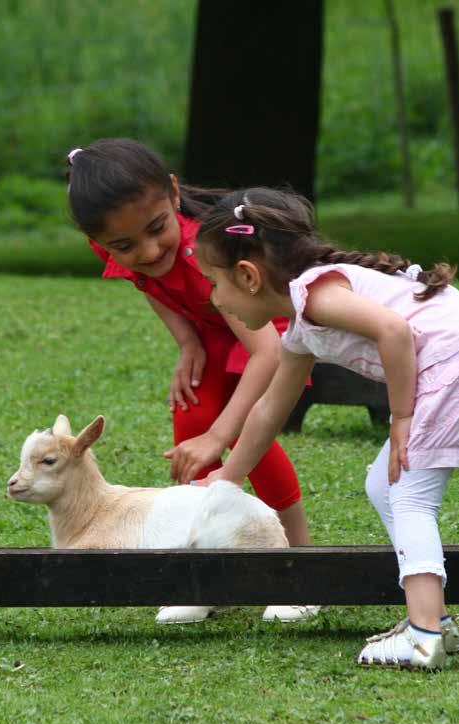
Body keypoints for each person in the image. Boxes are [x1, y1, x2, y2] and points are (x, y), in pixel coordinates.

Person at [195, 187, 459, 669]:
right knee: (385, 484)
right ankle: (436, 623)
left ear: (249, 275)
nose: (213, 296)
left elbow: (393, 330)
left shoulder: (317, 293)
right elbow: (269, 409)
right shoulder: (305, 321)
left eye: (214, 282)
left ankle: (425, 634)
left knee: (409, 492)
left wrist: (402, 416)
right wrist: (229, 474)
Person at [65, 139, 321, 625]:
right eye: (124, 246)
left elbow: (267, 353)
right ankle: (205, 570)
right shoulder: (123, 247)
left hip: (269, 337)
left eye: (156, 229)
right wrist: (187, 343)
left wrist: (222, 436)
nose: (147, 250)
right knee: (191, 421)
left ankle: (299, 567)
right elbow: (150, 286)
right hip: (215, 335)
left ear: (174, 194)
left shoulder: (202, 252)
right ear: (97, 241)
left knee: (254, 442)